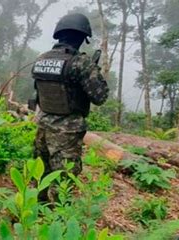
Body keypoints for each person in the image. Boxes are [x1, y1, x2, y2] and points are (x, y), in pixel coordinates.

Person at [31, 13, 109, 200]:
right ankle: (57, 221)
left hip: (42, 123)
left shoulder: (41, 59)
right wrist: (93, 69)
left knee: (41, 171)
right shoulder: (81, 63)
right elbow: (100, 96)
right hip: (67, 130)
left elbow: (38, 92)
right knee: (64, 177)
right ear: (82, 38)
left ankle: (38, 212)